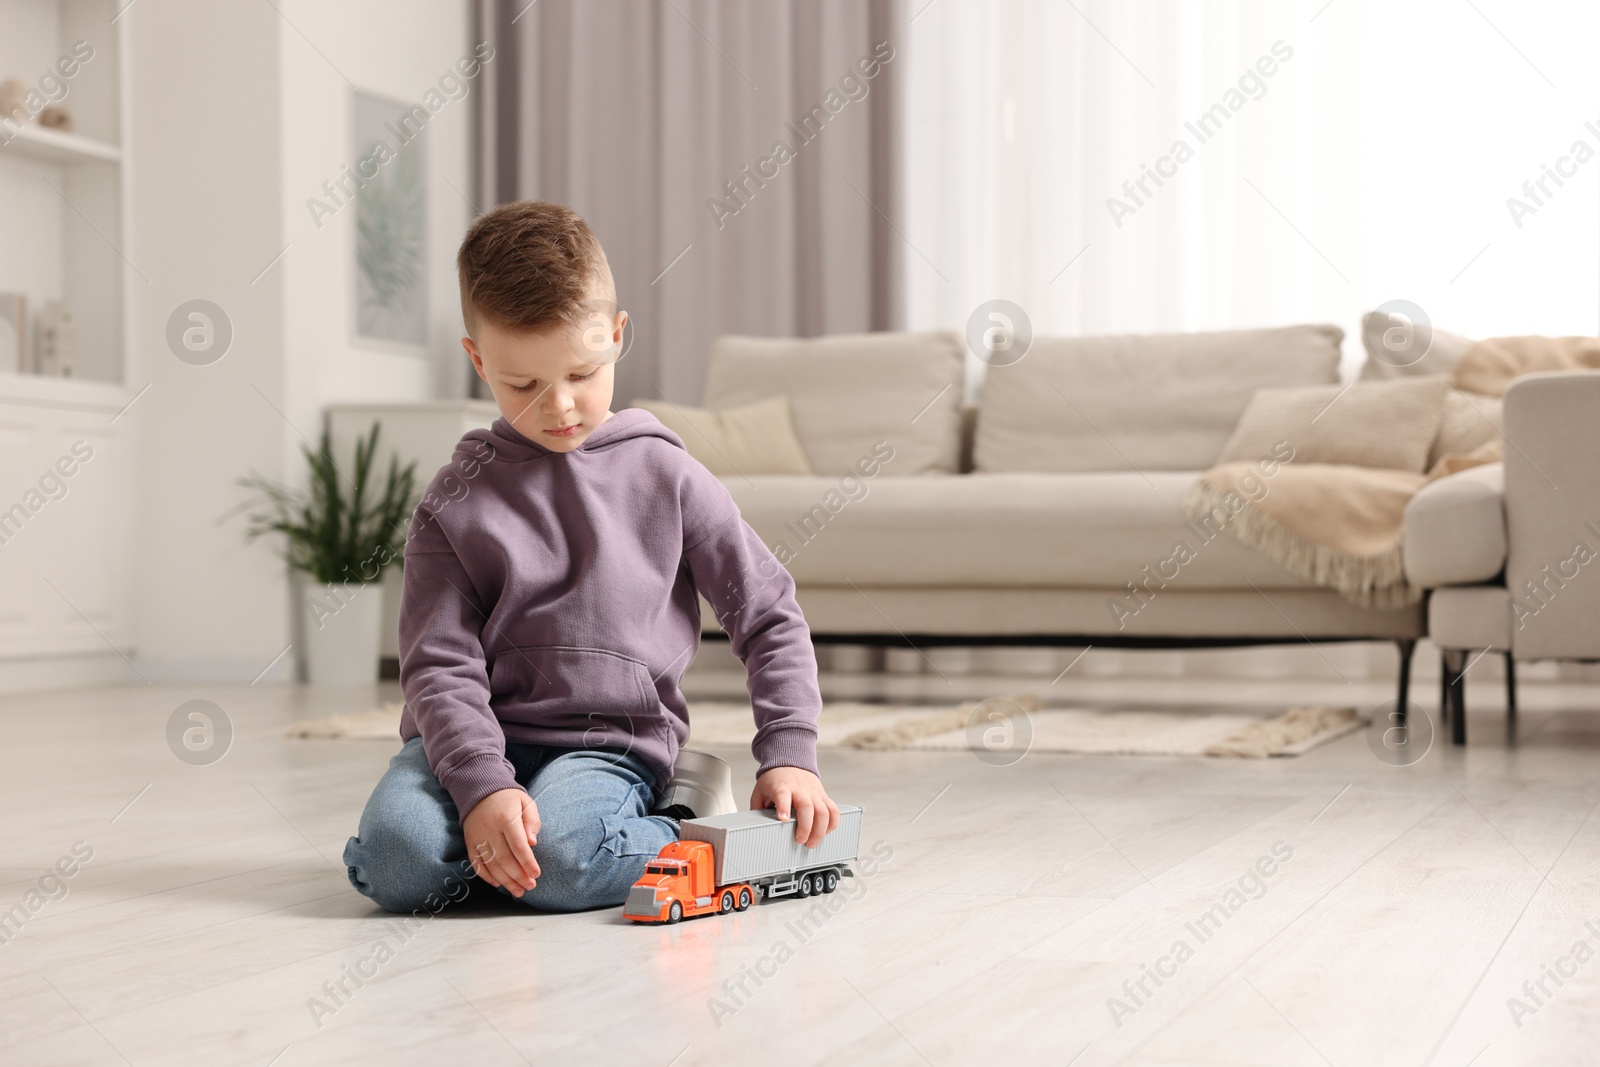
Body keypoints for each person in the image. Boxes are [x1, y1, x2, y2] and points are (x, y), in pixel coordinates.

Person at [342, 200, 840, 914]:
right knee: (397, 862)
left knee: (567, 861)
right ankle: (515, 850)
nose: (561, 406)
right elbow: (439, 665)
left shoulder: (667, 476)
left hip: (604, 745)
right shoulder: (454, 499)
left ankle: (675, 823)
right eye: (524, 384)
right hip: (462, 745)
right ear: (478, 359)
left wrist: (790, 752)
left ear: (616, 335)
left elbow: (768, 613)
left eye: (582, 371)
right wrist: (484, 785)